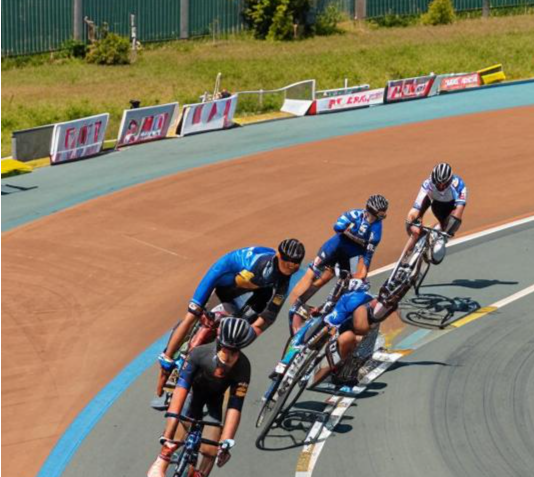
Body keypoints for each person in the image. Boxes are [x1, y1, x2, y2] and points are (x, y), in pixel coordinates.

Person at [154, 239, 305, 400]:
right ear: (279, 256)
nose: (292, 267)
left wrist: (250, 333)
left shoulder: (282, 278)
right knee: (193, 316)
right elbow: (231, 288)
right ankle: (167, 364)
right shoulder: (259, 268)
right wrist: (204, 311)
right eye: (288, 263)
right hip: (224, 276)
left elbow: (270, 316)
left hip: (256, 287)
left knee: (238, 330)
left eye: (296, 264)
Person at [146, 316, 255, 477]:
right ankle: (164, 457)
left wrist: (227, 441)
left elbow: (235, 406)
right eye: (227, 350)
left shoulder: (243, 367)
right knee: (176, 433)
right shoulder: (199, 354)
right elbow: (181, 390)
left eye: (235, 352)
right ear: (219, 344)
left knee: (210, 449)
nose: (230, 356)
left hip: (214, 404)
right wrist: (171, 426)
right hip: (191, 397)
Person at [289, 196, 388, 331]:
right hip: (335, 247)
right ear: (372, 211)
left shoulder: (377, 229)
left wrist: (362, 274)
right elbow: (337, 227)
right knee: (314, 273)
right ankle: (296, 304)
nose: (382, 217)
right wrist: (358, 240)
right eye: (381, 213)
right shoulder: (355, 214)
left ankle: (325, 309)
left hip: (352, 256)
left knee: (347, 282)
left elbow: (368, 256)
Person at [399, 162, 467, 265]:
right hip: (435, 206)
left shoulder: (459, 185)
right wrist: (414, 219)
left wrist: (446, 233)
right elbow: (418, 204)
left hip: (450, 210)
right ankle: (404, 259)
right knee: (413, 224)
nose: (441, 186)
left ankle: (437, 241)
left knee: (440, 247)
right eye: (438, 183)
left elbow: (458, 212)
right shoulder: (429, 182)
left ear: (450, 180)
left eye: (444, 184)